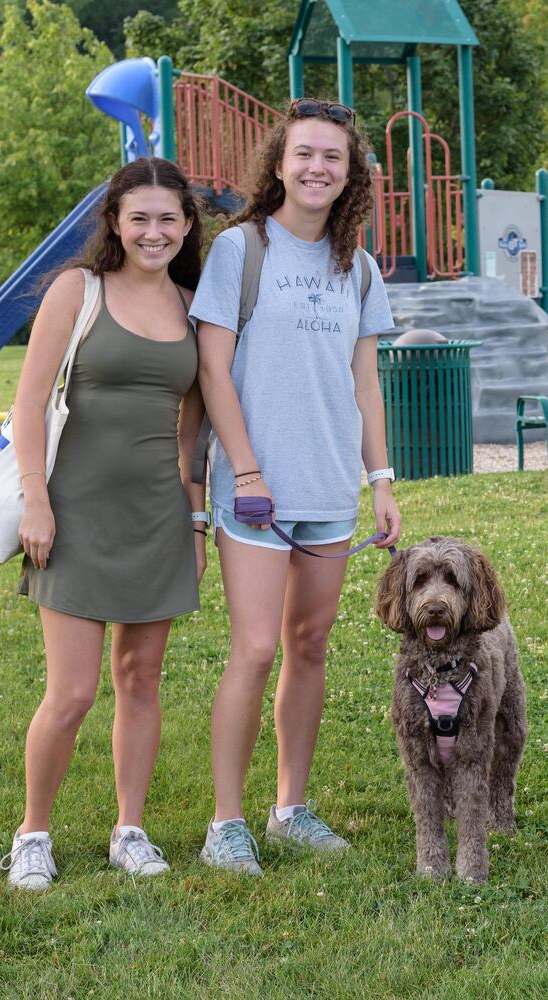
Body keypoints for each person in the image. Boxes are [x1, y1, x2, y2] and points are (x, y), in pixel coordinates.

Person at [190, 97, 401, 874]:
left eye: (333, 158)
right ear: (278, 163)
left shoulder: (360, 265)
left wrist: (379, 480)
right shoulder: (239, 251)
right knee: (252, 650)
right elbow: (213, 370)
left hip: (327, 486)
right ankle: (225, 822)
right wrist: (245, 471)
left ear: (351, 175)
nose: (318, 168)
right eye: (305, 153)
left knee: (307, 646)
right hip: (256, 489)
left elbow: (365, 382)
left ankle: (289, 809)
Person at [2, 157, 208, 889]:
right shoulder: (77, 291)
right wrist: (36, 498)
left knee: (142, 679)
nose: (154, 232)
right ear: (116, 224)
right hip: (74, 515)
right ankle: (33, 834)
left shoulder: (192, 305)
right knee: (74, 691)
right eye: (139, 218)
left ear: (187, 226)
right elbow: (28, 405)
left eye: (168, 219)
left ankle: (129, 828)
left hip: (158, 516)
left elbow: (190, 435)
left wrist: (196, 522)